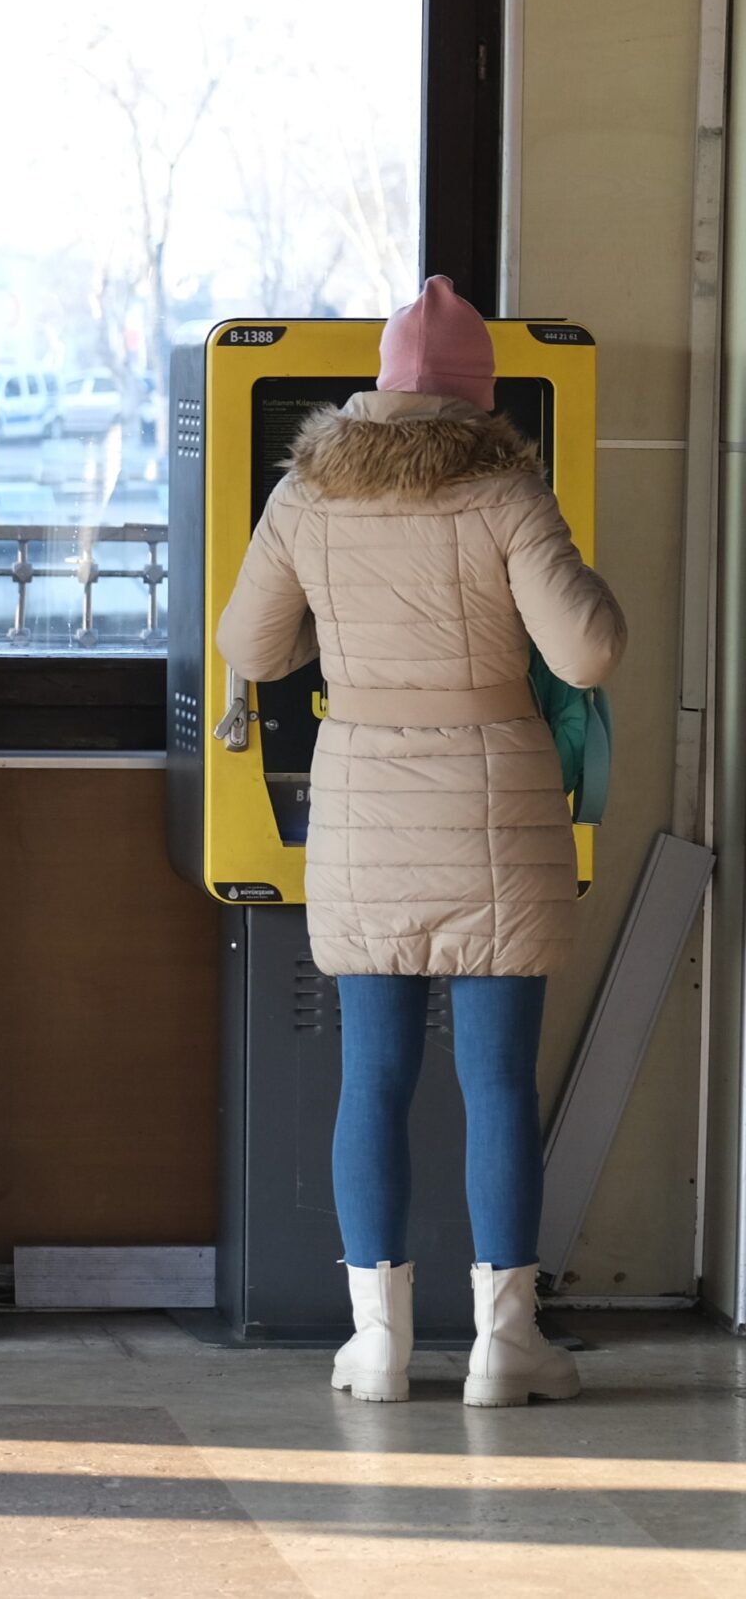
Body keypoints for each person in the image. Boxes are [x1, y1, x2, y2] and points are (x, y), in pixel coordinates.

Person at [217, 276, 625, 1409]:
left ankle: (376, 1346)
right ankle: (505, 1346)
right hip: (496, 804)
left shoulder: (306, 493)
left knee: (373, 1075)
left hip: (364, 806)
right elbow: (586, 652)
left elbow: (251, 647)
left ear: (382, 389)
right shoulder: (507, 490)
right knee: (495, 1082)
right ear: (475, 396)